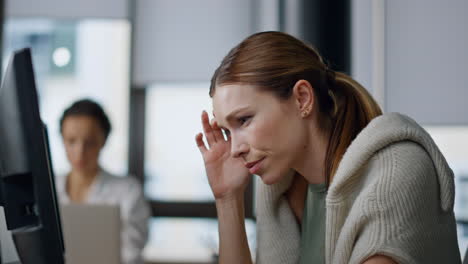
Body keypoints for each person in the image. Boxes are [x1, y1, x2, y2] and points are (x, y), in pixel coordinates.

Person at [195, 31, 461, 264]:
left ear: (302, 99)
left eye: (244, 120)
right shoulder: (283, 191)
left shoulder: (397, 170)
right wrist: (228, 199)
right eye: (228, 131)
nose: (235, 149)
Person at [55, 99, 150, 264]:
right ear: (62, 140)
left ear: (103, 141)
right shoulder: (47, 189)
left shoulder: (127, 190)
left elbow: (131, 254)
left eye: (89, 142)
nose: (80, 152)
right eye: (71, 141)